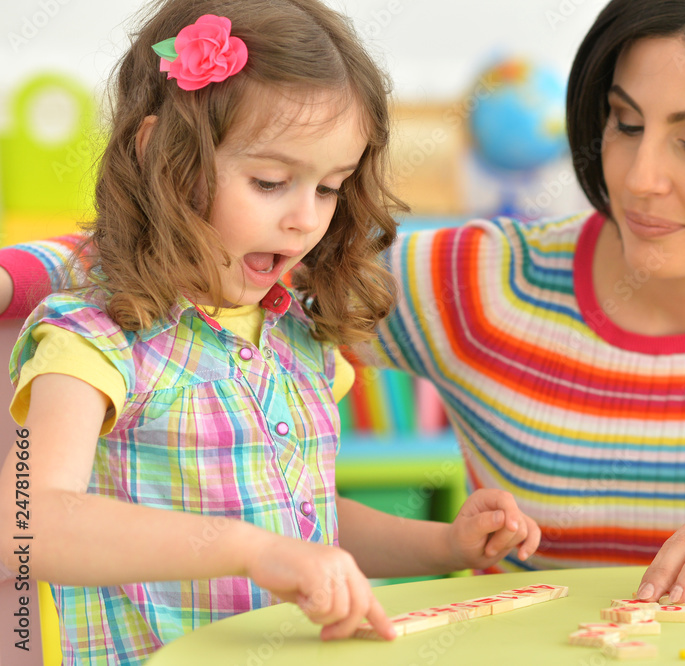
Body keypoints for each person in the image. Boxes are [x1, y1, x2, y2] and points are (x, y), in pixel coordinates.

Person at [3, 0, 685, 614]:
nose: (638, 178)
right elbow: (193, 253)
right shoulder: (480, 285)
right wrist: (21, 274)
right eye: (621, 123)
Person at [0, 1, 541, 663]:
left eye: (329, 187)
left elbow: (309, 526)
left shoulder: (296, 335)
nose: (303, 220)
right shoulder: (93, 340)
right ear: (158, 157)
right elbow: (24, 524)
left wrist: (445, 546)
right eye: (271, 181)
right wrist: (248, 551)